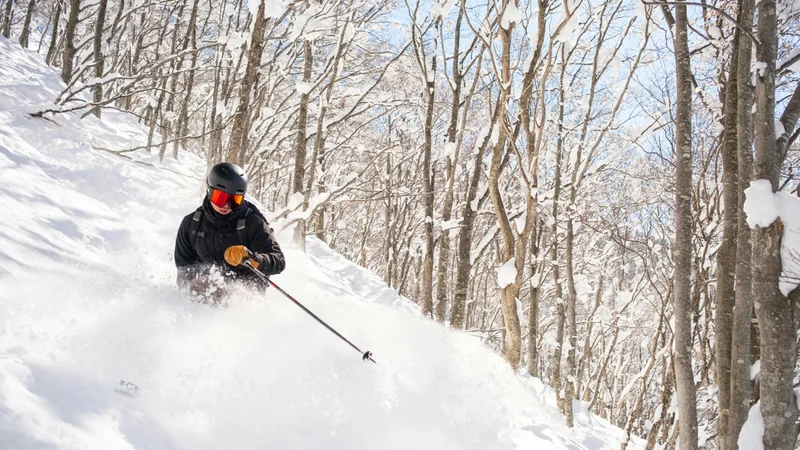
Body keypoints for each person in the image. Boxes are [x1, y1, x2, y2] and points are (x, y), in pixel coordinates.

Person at [174, 162, 285, 302]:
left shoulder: (253, 223)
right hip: (206, 290)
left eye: (234, 200)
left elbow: (278, 261)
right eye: (220, 198)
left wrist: (253, 259)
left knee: (223, 291)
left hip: (245, 293)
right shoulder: (192, 224)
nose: (226, 205)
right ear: (209, 191)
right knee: (203, 286)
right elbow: (184, 269)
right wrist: (186, 296)